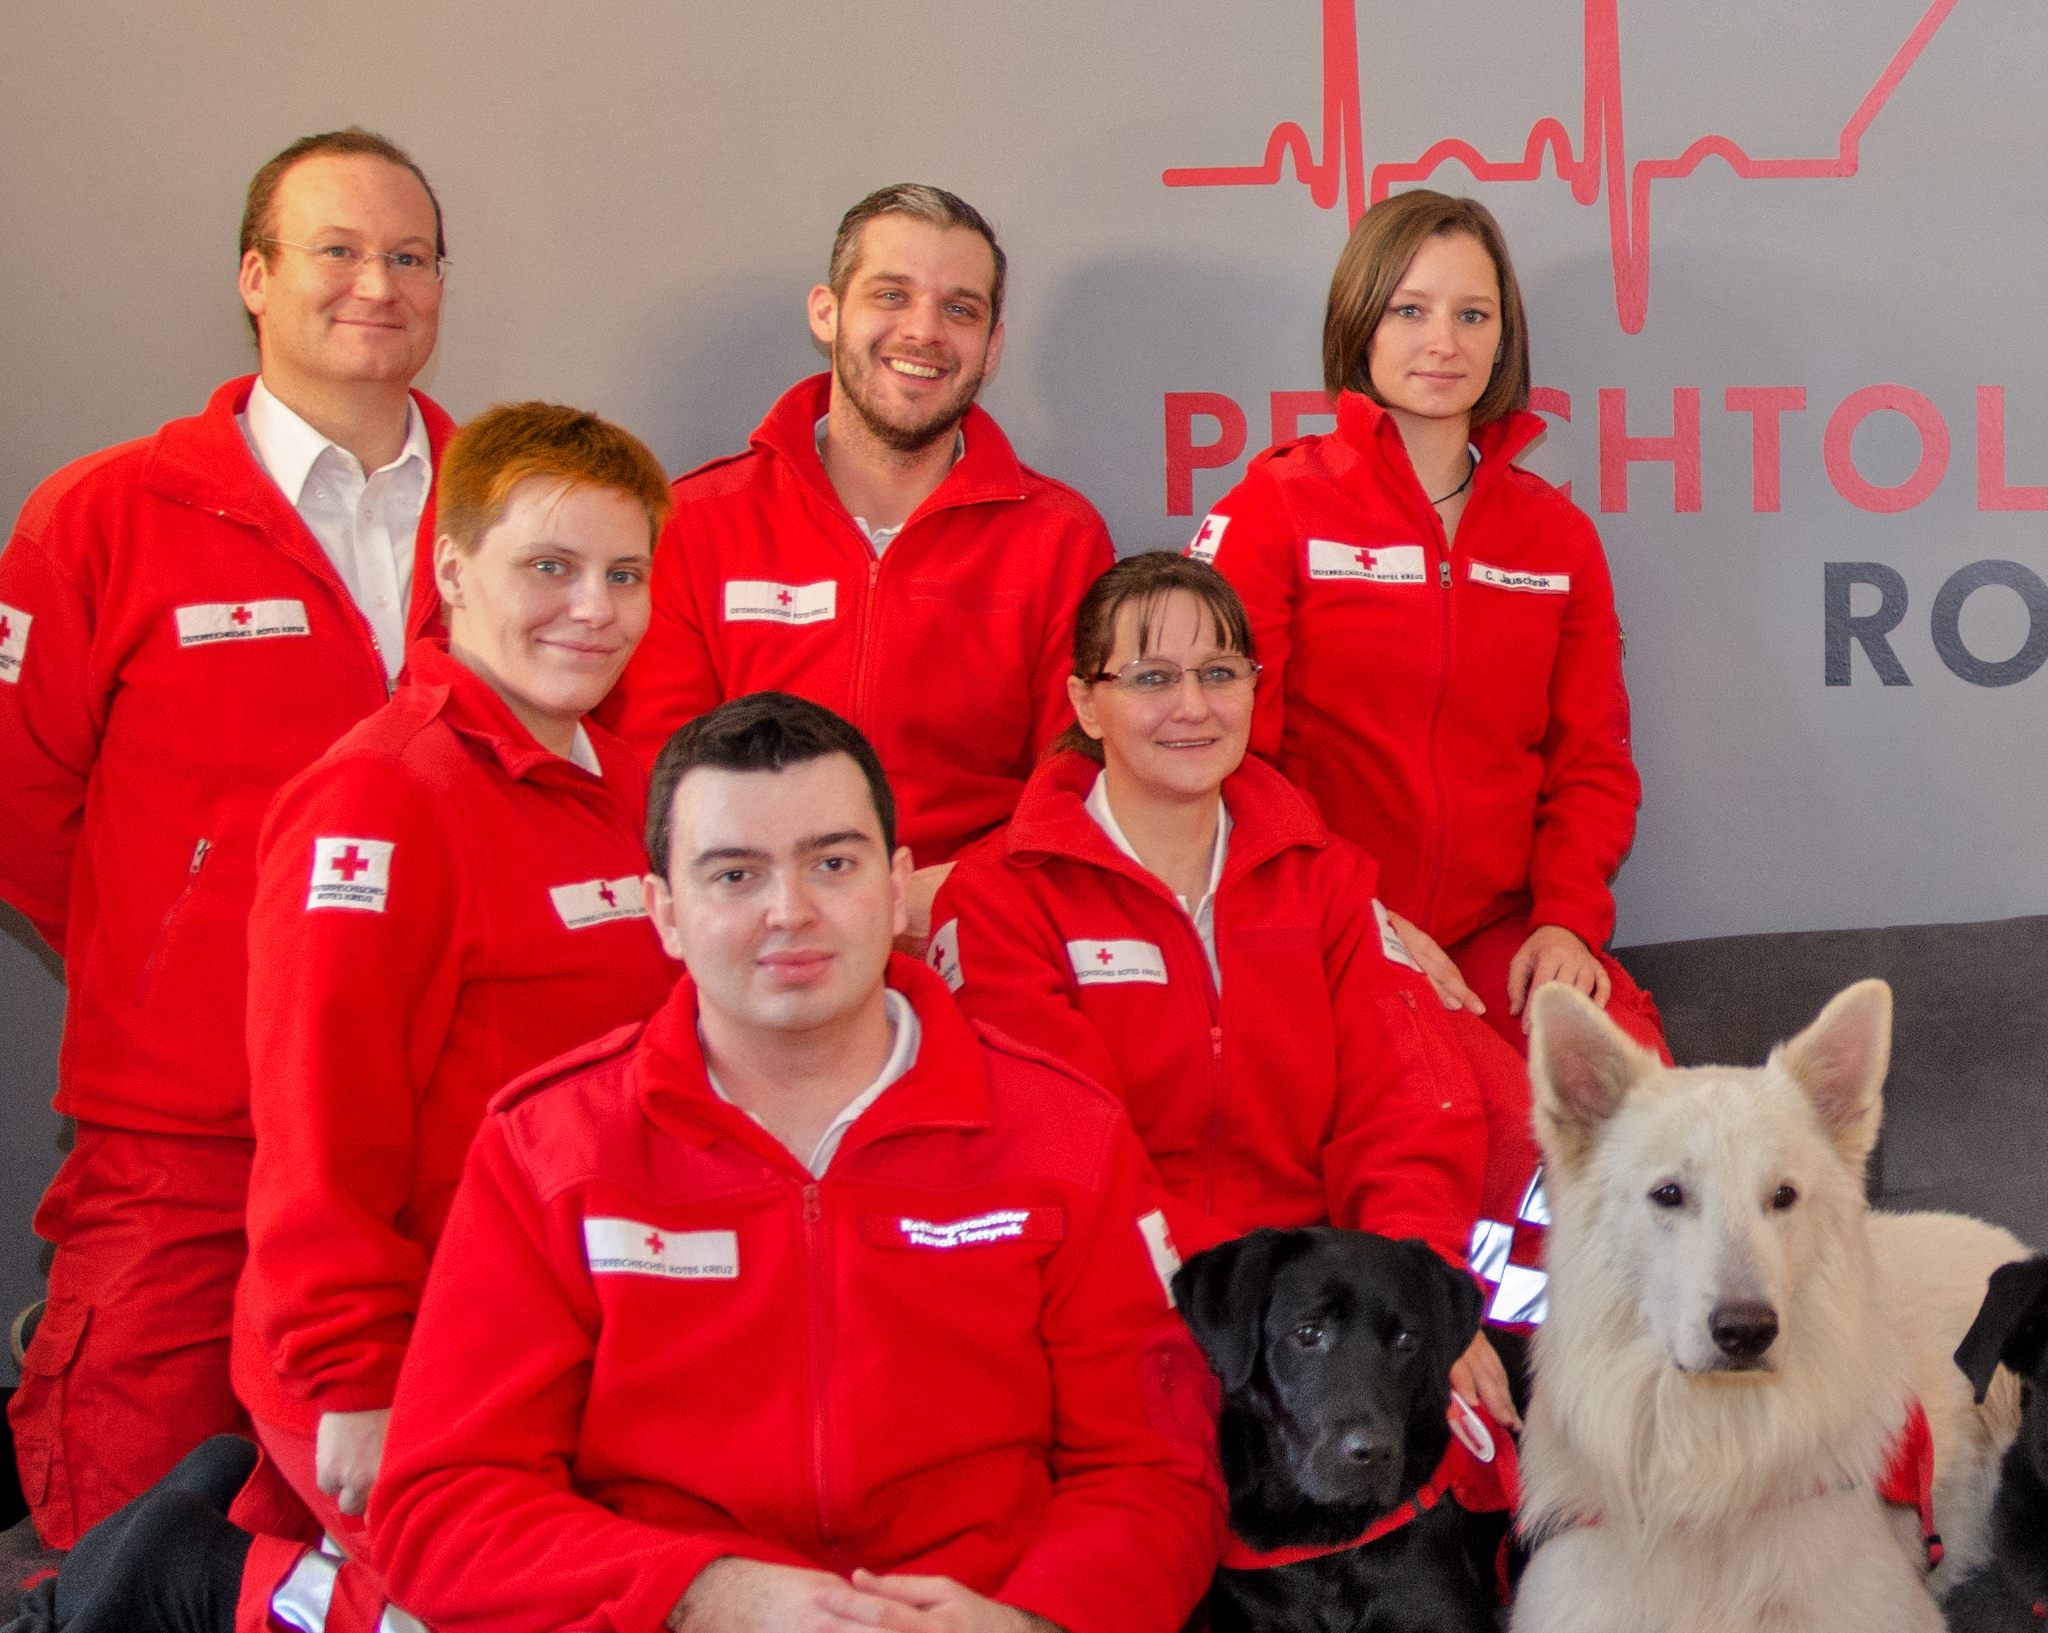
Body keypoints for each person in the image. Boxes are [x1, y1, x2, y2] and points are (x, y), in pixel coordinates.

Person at [375, 694, 1244, 1633]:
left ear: (898, 887)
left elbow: (1158, 1472)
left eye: (833, 862)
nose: (790, 909)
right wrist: (714, 1599)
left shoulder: (1059, 1128)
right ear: (660, 909)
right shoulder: (550, 1148)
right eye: (734, 873)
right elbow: (441, 1507)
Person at [0, 406, 685, 1633]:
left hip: (594, 1343)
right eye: (551, 568)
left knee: (719, 1621)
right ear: (455, 571)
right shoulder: (380, 799)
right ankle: (239, 1581)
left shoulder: (637, 782)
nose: (593, 608)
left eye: (625, 573)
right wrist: (352, 1390)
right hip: (417, 1361)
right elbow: (317, 1131)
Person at [0, 127, 456, 1546]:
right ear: (256, 276)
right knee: (126, 1527)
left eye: (409, 256)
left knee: (436, 1527)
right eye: (337, 251)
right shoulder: (106, 516)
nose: (377, 285)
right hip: (187, 1124)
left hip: (444, 1126)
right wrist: (168, 947)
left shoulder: (519, 512)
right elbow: (6, 802)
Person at [932, 550, 1535, 1390]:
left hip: (1331, 1318)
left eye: (1219, 672)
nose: (1192, 707)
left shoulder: (1326, 881)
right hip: (1105, 1316)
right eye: (1150, 678)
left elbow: (1407, 1112)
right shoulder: (1001, 898)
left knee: (1471, 1473)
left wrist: (1408, 1292)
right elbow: (1062, 1159)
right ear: (1086, 704)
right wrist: (1273, 1304)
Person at [1194, 190, 1657, 1062]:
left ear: (1501, 339)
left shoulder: (1555, 537)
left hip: (1505, 935)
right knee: (1438, 1119)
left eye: (1471, 314)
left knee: (1630, 1119)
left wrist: (1565, 923)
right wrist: (1354, 913)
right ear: (1362, 323)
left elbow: (1591, 760)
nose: (1444, 342)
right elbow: (1225, 763)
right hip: (1326, 925)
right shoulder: (1276, 510)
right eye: (1411, 309)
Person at [602, 182, 1116, 892]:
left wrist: (946, 896)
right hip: (754, 928)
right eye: (891, 296)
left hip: (973, 929)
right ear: (828, 312)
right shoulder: (699, 521)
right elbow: (657, 777)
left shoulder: (1060, 539)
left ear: (991, 347)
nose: (924, 332)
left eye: (959, 309)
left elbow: (1072, 782)